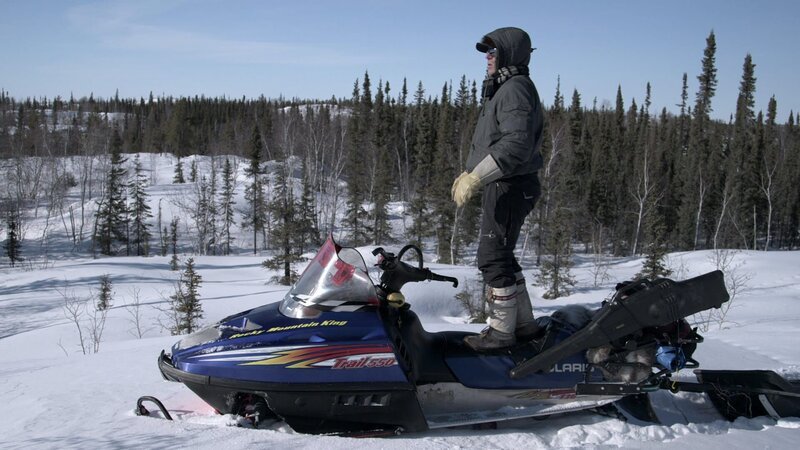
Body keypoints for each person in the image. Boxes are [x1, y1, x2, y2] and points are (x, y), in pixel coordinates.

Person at [451, 27, 544, 351]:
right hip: (507, 182)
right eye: (486, 53)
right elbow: (496, 140)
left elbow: (516, 144)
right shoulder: (505, 88)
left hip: (511, 184)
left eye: (493, 52)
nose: (487, 58)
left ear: (508, 54)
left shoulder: (515, 88)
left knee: (491, 257)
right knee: (502, 256)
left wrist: (477, 177)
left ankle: (502, 333)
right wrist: (472, 171)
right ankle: (526, 326)